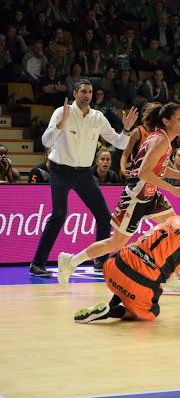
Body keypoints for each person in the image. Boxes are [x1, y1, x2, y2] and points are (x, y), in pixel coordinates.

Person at [58, 102, 180, 285]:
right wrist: (173, 189)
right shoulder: (160, 140)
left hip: (150, 193)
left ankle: (169, 274)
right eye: (179, 119)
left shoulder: (163, 139)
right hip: (136, 195)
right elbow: (144, 172)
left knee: (174, 229)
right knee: (116, 243)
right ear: (166, 121)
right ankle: (71, 261)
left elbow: (160, 170)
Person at [29, 79, 138, 277]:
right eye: (83, 91)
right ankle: (37, 264)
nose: (87, 95)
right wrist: (60, 125)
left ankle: (100, 261)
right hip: (60, 170)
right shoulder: (62, 112)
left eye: (90, 92)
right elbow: (46, 141)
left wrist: (126, 129)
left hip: (84, 173)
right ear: (75, 94)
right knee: (59, 215)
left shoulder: (98, 117)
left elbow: (119, 143)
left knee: (105, 217)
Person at [74, 196, 180, 328]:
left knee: (135, 275)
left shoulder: (174, 219)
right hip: (137, 283)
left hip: (114, 266)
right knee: (152, 311)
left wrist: (179, 272)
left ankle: (110, 303)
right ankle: (111, 311)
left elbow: (162, 249)